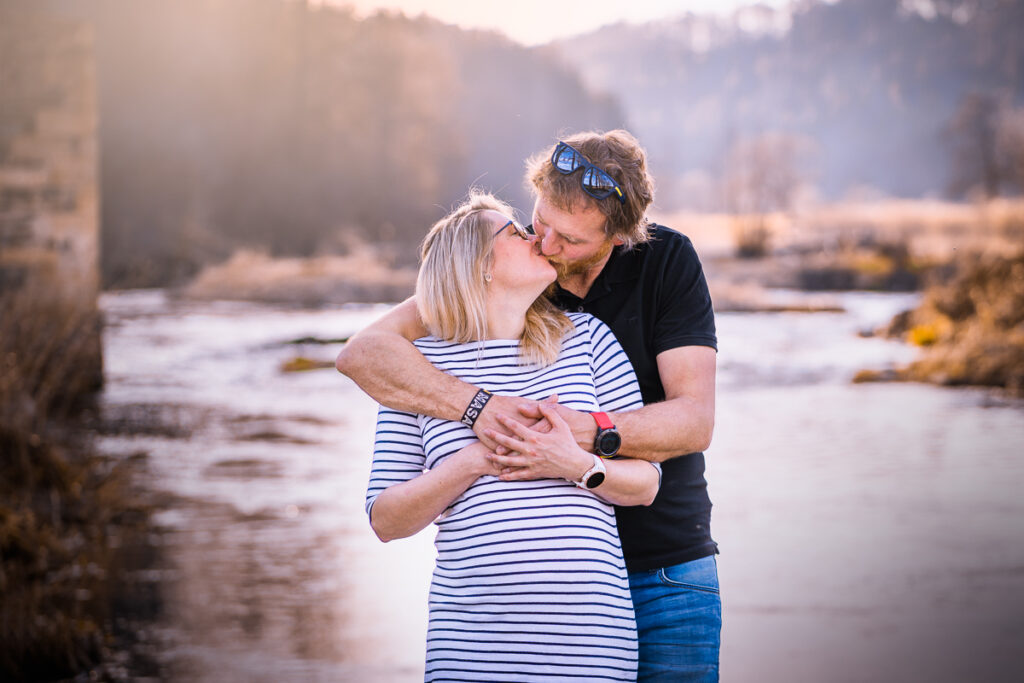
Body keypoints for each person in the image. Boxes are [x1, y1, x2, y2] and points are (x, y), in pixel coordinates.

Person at [341, 130, 720, 682]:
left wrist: (574, 441)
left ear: (616, 239)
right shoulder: (498, 281)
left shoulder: (653, 275)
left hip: (666, 566)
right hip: (488, 633)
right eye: (536, 223)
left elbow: (694, 421)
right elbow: (364, 353)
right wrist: (479, 414)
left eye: (566, 239)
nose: (545, 243)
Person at [364, 192, 662, 682]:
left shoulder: (588, 339)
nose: (537, 239)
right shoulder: (416, 369)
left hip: (590, 648)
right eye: (516, 233)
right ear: (479, 264)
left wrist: (575, 464)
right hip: (470, 653)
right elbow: (386, 519)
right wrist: (471, 462)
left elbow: (647, 483)